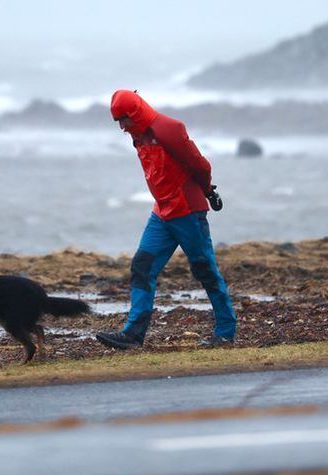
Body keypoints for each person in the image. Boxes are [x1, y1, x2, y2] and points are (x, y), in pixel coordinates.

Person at [95, 89, 236, 349]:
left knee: (205, 270)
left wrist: (208, 192)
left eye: (123, 120)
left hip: (188, 212)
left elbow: (201, 166)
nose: (122, 128)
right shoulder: (137, 134)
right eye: (118, 123)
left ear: (135, 112)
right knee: (142, 267)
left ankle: (226, 331)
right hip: (161, 213)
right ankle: (133, 335)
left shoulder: (169, 129)